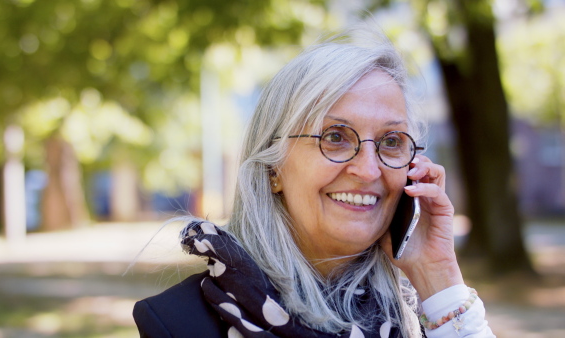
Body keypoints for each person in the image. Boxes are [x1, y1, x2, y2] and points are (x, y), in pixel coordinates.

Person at [133, 25, 495, 338]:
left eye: (391, 142)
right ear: (273, 168)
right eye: (335, 137)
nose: (368, 171)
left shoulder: (432, 314)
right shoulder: (178, 323)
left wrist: (438, 276)